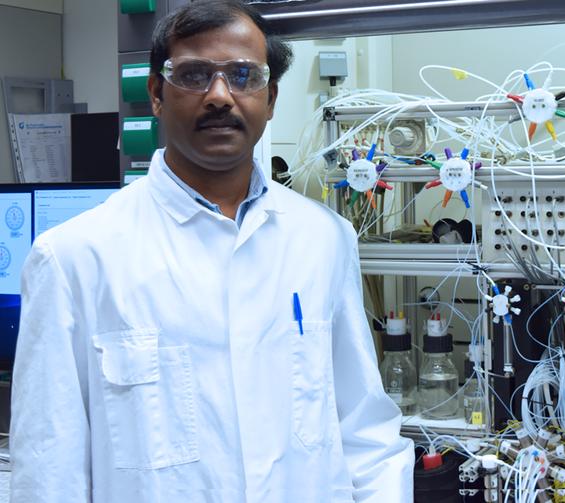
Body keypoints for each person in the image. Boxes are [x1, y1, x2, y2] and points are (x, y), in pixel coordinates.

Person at [9, 1, 414, 501]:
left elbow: (364, 430)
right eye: (195, 75)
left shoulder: (324, 238)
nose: (220, 95)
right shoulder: (74, 257)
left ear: (270, 98)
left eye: (244, 75)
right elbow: (49, 471)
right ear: (156, 94)